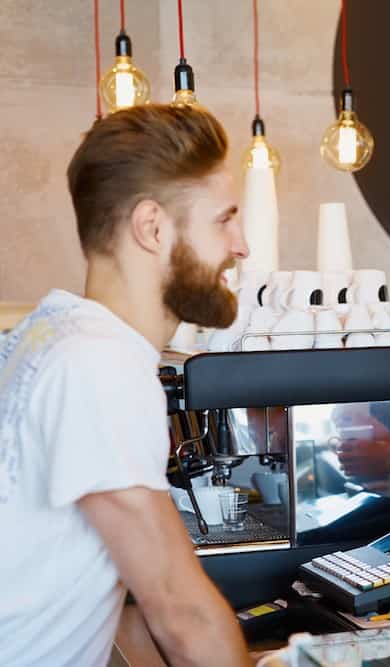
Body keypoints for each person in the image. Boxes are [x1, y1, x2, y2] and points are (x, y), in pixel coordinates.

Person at [0, 105, 252, 666]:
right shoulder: (99, 365)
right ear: (153, 227)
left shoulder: (49, 335)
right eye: (224, 219)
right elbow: (181, 615)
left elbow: (119, 608)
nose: (241, 244)